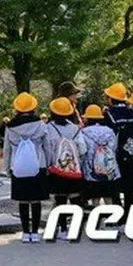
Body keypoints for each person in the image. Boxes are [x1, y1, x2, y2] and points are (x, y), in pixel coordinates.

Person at [3, 92, 49, 243]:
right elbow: (47, 147)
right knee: (36, 201)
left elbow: (7, 150)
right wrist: (47, 164)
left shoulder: (10, 127)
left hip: (18, 166)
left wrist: (7, 168)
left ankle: (25, 232)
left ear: (16, 109)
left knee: (23, 201)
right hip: (39, 165)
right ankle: (35, 233)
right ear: (34, 107)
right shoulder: (41, 125)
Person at [46, 97, 86, 240]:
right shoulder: (75, 129)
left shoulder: (49, 128)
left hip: (57, 169)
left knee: (60, 199)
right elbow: (82, 148)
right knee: (75, 198)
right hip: (74, 169)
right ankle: (75, 229)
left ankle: (62, 229)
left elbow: (48, 150)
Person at [103, 82, 133, 227]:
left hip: (115, 156)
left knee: (115, 187)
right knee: (130, 188)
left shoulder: (109, 115)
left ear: (111, 98)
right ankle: (132, 218)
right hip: (132, 154)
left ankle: (119, 218)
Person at [80, 104, 121, 206]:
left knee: (95, 198)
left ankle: (96, 219)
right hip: (109, 170)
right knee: (108, 196)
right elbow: (114, 148)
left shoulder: (83, 133)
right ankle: (111, 219)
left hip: (91, 171)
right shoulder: (109, 131)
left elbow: (82, 151)